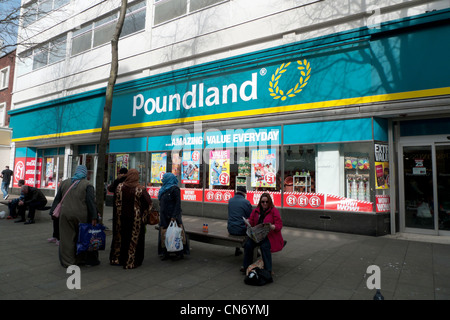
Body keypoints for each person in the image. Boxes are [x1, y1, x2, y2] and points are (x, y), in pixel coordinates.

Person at [50, 165, 98, 268]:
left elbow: (57, 198)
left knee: (67, 238)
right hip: (81, 215)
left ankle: (68, 262)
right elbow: (90, 202)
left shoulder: (64, 183)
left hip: (65, 214)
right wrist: (94, 216)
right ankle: (80, 259)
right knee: (81, 237)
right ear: (85, 173)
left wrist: (52, 212)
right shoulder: (87, 184)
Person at [109, 169, 152, 269]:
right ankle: (131, 261)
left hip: (120, 219)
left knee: (121, 238)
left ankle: (117, 259)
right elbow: (149, 204)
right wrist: (144, 216)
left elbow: (111, 190)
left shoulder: (120, 187)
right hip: (135, 220)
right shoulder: (140, 189)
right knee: (133, 240)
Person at [243, 193, 284, 275]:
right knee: (248, 245)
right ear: (260, 202)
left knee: (264, 247)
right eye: (263, 202)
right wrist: (248, 222)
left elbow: (279, 225)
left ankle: (268, 269)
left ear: (270, 202)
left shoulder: (274, 211)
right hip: (257, 236)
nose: (265, 204)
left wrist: (273, 226)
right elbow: (251, 220)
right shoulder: (255, 211)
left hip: (269, 236)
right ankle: (246, 267)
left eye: (267, 202)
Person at [157, 172, 189, 260]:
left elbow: (178, 203)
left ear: (168, 179)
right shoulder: (163, 189)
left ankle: (179, 252)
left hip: (173, 215)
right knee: (165, 234)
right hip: (164, 215)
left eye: (164, 178)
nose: (162, 179)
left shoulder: (175, 189)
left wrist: (174, 216)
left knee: (176, 233)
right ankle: (165, 252)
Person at [227, 186, 252, 256]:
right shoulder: (246, 202)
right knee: (250, 227)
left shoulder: (230, 201)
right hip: (242, 230)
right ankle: (253, 250)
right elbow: (250, 217)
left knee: (236, 222)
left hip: (230, 228)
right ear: (244, 194)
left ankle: (237, 249)